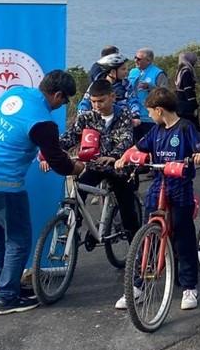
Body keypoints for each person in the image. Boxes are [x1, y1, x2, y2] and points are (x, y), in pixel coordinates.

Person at [0, 70, 87, 315]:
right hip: (0, 184)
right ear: (58, 95)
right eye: (65, 100)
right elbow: (58, 161)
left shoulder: (16, 91)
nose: (63, 105)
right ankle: (7, 298)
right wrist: (76, 167)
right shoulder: (42, 122)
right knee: (18, 239)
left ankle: (7, 288)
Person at [115, 88, 200, 311]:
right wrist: (123, 158)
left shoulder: (186, 128)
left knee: (183, 238)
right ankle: (137, 286)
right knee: (147, 237)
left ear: (159, 110)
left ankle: (189, 287)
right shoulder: (156, 131)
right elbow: (136, 149)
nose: (150, 116)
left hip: (180, 188)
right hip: (158, 186)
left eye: (150, 111)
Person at [47, 80, 139, 248]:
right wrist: (50, 153)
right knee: (77, 194)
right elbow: (70, 137)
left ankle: (138, 254)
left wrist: (114, 156)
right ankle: (73, 230)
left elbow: (126, 139)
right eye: (93, 101)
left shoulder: (124, 114)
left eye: (101, 101)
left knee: (128, 213)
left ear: (112, 97)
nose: (97, 105)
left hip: (119, 168)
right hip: (95, 166)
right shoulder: (86, 117)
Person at [79, 53, 143, 121]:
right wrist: (82, 116)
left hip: (121, 120)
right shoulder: (96, 84)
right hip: (99, 120)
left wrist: (135, 115)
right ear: (112, 72)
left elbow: (132, 100)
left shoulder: (126, 84)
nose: (126, 72)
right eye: (123, 69)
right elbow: (85, 102)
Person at [129, 48, 170, 141]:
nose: (136, 60)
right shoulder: (133, 72)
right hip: (134, 116)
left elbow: (165, 93)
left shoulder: (158, 73)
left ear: (148, 60)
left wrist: (149, 87)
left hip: (150, 118)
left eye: (139, 59)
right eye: (135, 58)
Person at [174, 51, 200, 129]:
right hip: (187, 106)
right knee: (192, 127)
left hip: (179, 104)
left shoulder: (180, 70)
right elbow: (188, 90)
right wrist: (194, 106)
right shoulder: (187, 72)